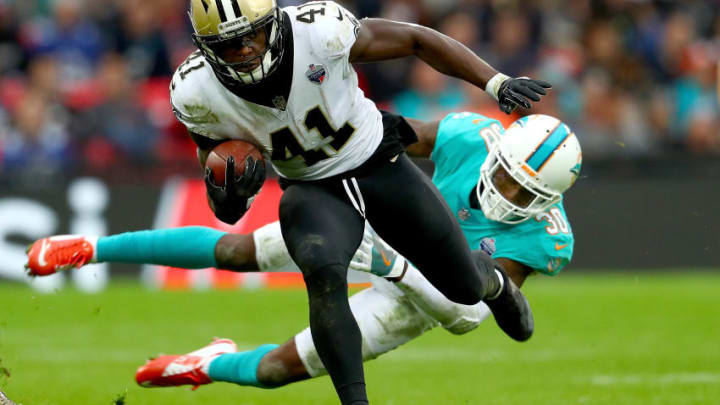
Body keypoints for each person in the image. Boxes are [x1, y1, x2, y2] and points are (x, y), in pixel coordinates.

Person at [37, 0, 554, 402]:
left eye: (251, 38)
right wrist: (229, 188)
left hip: (378, 165)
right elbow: (227, 211)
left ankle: (490, 281)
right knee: (318, 276)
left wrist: (495, 80)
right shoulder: (195, 90)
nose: (243, 53)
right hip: (311, 189)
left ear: (275, 24)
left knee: (464, 288)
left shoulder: (320, 31)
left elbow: (416, 39)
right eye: (228, 45)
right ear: (203, 45)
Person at [26, 112, 581, 393]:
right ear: (498, 152)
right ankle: (91, 247)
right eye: (506, 178)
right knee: (240, 251)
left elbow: (470, 310)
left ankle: (208, 363)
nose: (505, 195)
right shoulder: (467, 135)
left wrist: (392, 265)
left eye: (523, 194)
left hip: (421, 291)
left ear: (549, 200)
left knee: (275, 370)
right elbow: (382, 138)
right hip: (387, 219)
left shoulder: (546, 239)